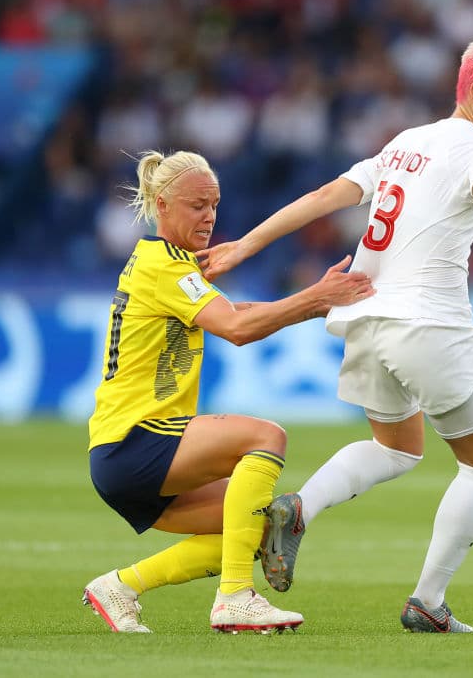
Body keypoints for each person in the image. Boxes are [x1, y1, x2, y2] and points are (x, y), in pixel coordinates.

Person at [198, 34, 473, 633]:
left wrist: (247, 243)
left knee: (397, 448)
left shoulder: (405, 143)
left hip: (363, 315)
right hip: (428, 323)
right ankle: (427, 602)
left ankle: (299, 507)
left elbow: (324, 196)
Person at [81, 149, 374, 634]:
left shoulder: (167, 264)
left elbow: (237, 308)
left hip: (124, 450)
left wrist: (310, 302)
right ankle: (235, 597)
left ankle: (120, 587)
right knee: (265, 436)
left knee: (253, 524)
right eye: (197, 204)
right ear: (161, 203)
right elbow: (237, 328)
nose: (209, 215)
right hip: (137, 439)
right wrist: (314, 298)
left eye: (214, 204)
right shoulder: (166, 267)